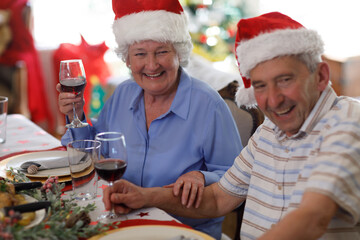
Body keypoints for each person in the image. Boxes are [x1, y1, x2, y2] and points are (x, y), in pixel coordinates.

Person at [102, 12, 360, 240]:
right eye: (260, 86)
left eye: (284, 80)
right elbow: (216, 199)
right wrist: (145, 197)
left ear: (321, 76)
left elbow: (314, 217)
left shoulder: (348, 119)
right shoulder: (269, 132)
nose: (272, 100)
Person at [56, 0, 242, 238]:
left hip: (184, 230)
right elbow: (95, 149)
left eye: (162, 52)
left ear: (179, 53)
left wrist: (202, 176)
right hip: (124, 219)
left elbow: (237, 178)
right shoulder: (124, 93)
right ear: (128, 60)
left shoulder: (208, 105)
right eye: (140, 54)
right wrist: (76, 115)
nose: (152, 65)